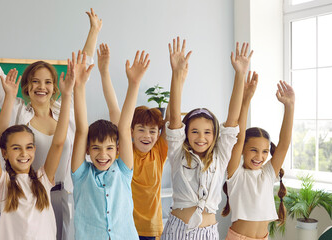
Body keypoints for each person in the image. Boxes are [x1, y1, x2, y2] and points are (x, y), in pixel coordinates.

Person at [0, 6, 101, 239]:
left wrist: (94, 31)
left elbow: (81, 73)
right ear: (27, 86)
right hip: (27, 194)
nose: (42, 87)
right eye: (36, 81)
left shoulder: (65, 110)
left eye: (48, 82)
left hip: (68, 192)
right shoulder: (17, 109)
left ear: (55, 86)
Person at [0, 48, 74, 239]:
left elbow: (58, 143)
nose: (24, 154)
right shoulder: (3, 184)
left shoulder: (42, 180)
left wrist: (66, 97)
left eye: (29, 147)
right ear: (5, 152)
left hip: (64, 194)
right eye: (16, 148)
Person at [160, 39, 251, 239]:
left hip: (208, 233)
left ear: (215, 134)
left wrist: (240, 74)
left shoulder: (221, 155)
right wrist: (176, 75)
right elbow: (174, 119)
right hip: (178, 231)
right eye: (194, 131)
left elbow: (232, 120)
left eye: (207, 132)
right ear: (186, 134)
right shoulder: (178, 154)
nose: (201, 137)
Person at [71, 50, 149, 239]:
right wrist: (79, 86)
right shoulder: (81, 175)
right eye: (96, 148)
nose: (103, 154)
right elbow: (81, 130)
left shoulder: (123, 171)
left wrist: (134, 84)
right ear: (88, 150)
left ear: (118, 149)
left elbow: (123, 128)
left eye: (109, 148)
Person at [96, 43, 168, 239]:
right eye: (141, 129)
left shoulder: (160, 150)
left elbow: (172, 123)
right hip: (125, 227)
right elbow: (114, 109)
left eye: (152, 131)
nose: (147, 135)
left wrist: (177, 73)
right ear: (131, 132)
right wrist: (104, 72)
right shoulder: (125, 152)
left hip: (152, 230)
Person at [223, 73, 295, 240]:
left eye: (264, 152)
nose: (259, 156)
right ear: (242, 150)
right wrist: (246, 99)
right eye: (253, 150)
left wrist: (289, 106)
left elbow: (284, 144)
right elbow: (239, 138)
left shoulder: (268, 173)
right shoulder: (235, 173)